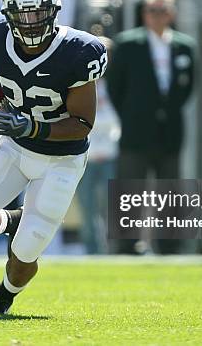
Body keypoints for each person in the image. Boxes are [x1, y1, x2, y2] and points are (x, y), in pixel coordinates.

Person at [0, 0, 106, 315]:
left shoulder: (78, 51)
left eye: (38, 12)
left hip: (62, 159)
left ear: (54, 10)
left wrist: (33, 127)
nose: (32, 21)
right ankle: (11, 220)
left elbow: (82, 123)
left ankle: (3, 295)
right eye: (23, 13)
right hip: (15, 148)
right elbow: (6, 73)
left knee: (25, 253)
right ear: (8, 15)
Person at [106, 0, 195, 255]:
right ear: (144, 14)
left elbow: (189, 86)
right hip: (136, 129)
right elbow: (115, 87)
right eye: (152, 11)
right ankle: (127, 244)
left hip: (170, 129)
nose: (157, 16)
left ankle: (168, 244)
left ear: (172, 13)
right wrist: (133, 113)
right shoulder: (127, 43)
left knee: (170, 187)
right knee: (131, 187)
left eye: (163, 10)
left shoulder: (185, 45)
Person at [75, 35, 119, 254]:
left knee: (112, 209)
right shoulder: (79, 82)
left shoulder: (117, 84)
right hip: (86, 156)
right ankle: (93, 252)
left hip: (111, 153)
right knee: (88, 207)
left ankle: (112, 251)